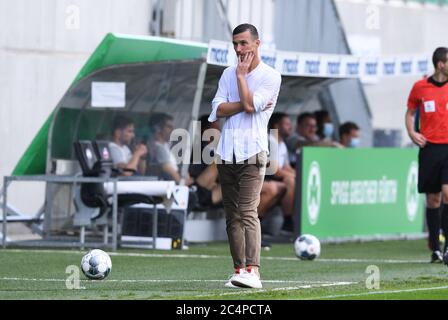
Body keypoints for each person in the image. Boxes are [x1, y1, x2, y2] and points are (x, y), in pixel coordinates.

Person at [208, 23, 281, 289]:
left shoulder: (270, 76)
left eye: (243, 43)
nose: (239, 49)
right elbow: (217, 110)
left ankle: (254, 271)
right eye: (235, 44)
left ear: (257, 44)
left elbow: (252, 106)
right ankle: (239, 269)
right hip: (227, 152)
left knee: (248, 211)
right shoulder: (227, 73)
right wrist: (242, 103)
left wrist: (241, 79)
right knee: (231, 215)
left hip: (253, 152)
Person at [405, 47, 448, 263]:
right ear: (441, 64)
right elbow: (410, 112)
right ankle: (436, 248)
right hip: (430, 148)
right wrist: (412, 133)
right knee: (433, 199)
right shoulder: (420, 87)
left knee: (447, 193)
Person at [266, 112, 296, 232]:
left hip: (275, 177)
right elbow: (275, 171)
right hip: (265, 178)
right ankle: (288, 221)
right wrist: (296, 177)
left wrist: (300, 175)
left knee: (294, 178)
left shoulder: (282, 143)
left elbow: (287, 167)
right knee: (290, 181)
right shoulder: (269, 140)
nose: (290, 127)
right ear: (277, 125)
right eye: (287, 124)